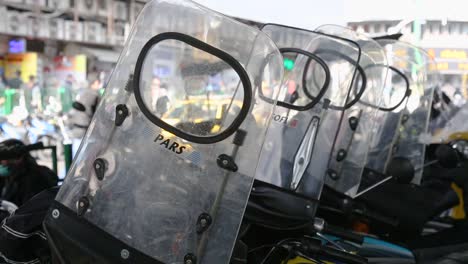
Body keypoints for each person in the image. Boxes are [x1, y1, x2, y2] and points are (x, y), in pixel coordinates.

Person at [0, 139, 58, 207]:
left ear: (18, 158)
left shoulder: (35, 177)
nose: (1, 163)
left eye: (3, 158)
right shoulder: (7, 177)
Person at [67, 79, 101, 155]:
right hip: (86, 131)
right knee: (85, 156)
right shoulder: (95, 95)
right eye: (98, 83)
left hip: (76, 128)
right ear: (94, 83)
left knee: (76, 155)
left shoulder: (82, 92)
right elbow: (99, 114)